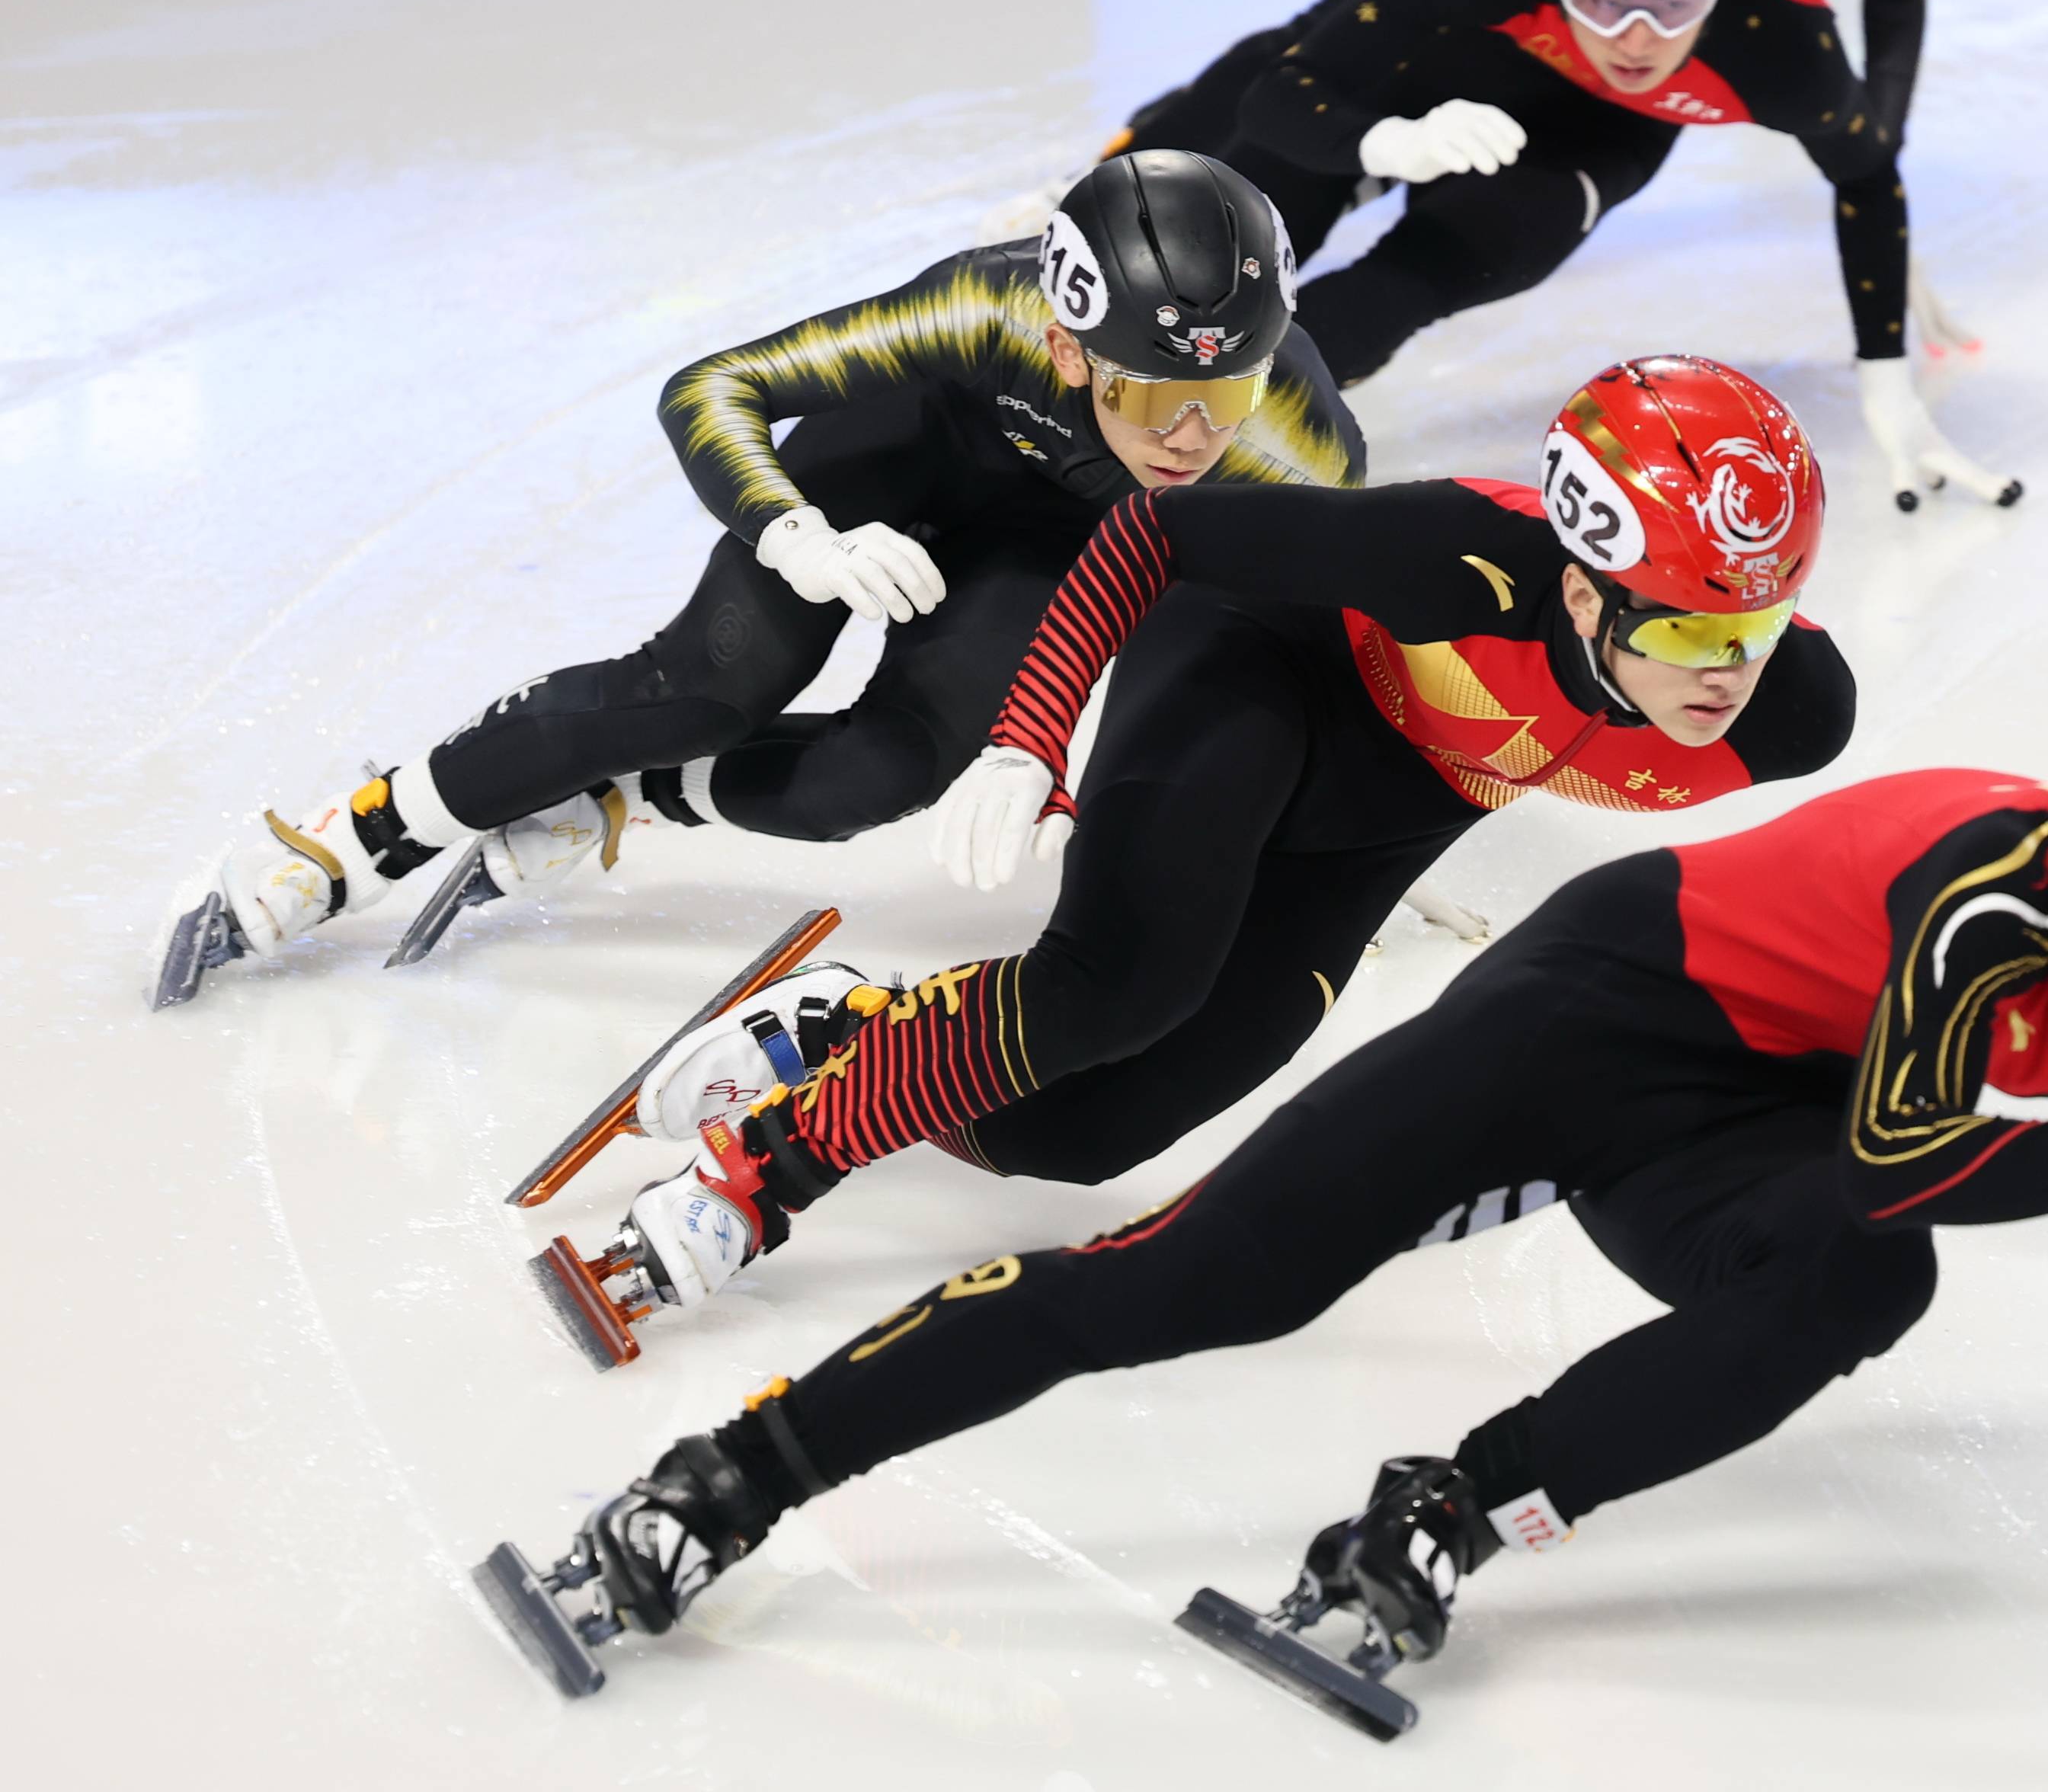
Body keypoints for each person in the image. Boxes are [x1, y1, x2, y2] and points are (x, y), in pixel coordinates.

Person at [479, 680, 2048, 1716]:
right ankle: (726, 1484)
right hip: (1599, 1015)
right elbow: (1917, 1147)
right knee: (1191, 1283)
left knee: (1850, 1285)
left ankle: (1442, 1519)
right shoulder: (1985, 908)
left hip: (1756, 1114)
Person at [541, 354, 1859, 1344]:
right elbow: (1152, 529)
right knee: (1120, 982)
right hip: (1256, 670)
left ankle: (849, 1034)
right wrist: (1026, 736)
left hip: (1385, 815)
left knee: (1086, 1133)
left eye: (1757, 627)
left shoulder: (1797, 713)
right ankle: (755, 1175)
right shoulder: (1458, 557)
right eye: (1686, 633)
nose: (1727, 674)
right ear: (1581, 585)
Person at [151, 152, 1360, 1007]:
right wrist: (794, 535)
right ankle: (355, 836)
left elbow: (1308, 639)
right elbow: (713, 386)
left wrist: (1316, 823)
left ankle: (620, 799)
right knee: (706, 685)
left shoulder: (1293, 449)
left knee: (871, 782)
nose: (1194, 438)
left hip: (1041, 548)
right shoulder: (982, 305)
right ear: (1060, 338)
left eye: (1229, 392)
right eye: (1152, 397)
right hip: (889, 466)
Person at [1112, 0, 2013, 510]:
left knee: (1427, 273)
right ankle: (1131, 168)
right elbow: (1288, 82)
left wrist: (1885, 370)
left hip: (1587, 133)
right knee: (1232, 214)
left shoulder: (1780, 45)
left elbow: (1881, 74)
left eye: (1668, 7)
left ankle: (1205, 445)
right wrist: (1386, 141)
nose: (1631, 38)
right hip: (1464, 37)